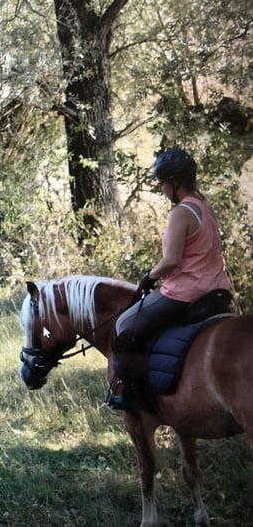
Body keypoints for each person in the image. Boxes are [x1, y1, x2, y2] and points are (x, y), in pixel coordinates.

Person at [107, 148, 232, 410]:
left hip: (184, 292)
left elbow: (171, 261)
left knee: (123, 326)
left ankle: (134, 396)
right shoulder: (205, 207)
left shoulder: (180, 213)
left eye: (162, 183)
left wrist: (148, 277)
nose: (161, 188)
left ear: (174, 181)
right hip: (216, 288)